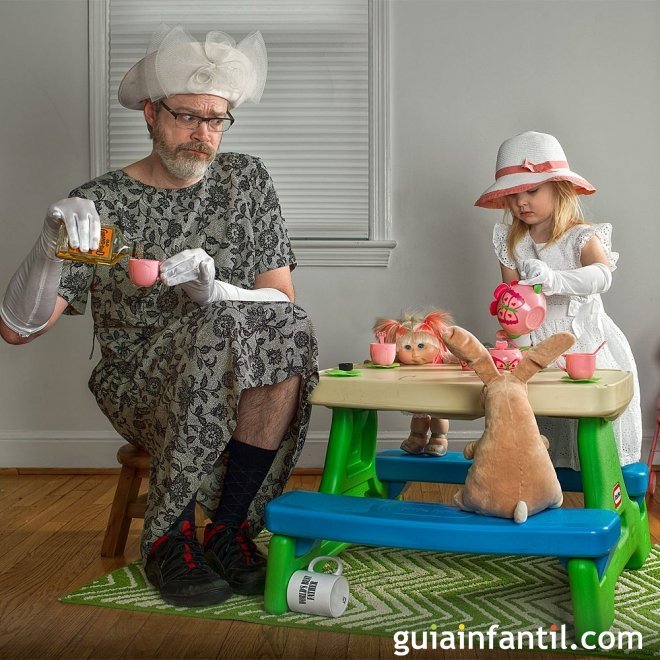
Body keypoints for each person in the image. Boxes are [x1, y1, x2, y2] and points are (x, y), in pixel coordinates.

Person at [0, 24, 318, 607]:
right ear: (151, 113)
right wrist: (49, 247)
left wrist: (216, 290)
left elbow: (282, 303)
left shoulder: (245, 182)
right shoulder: (101, 200)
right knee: (224, 330)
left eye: (216, 119)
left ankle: (228, 530)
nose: (202, 135)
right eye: (186, 116)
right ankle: (169, 536)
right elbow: (18, 330)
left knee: (288, 329)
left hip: (234, 365)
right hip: (138, 377)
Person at [475, 130, 641, 470]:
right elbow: (511, 299)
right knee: (541, 421)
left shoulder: (578, 235)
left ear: (559, 187)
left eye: (532, 190)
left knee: (585, 418)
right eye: (513, 195)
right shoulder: (512, 242)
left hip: (583, 343)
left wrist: (554, 280)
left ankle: (601, 483)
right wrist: (514, 339)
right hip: (535, 345)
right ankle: (540, 486)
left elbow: (602, 275)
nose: (522, 202)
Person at [373, 310, 455, 456]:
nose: (415, 354)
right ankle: (417, 438)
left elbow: (460, 358)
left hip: (440, 395)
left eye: (422, 346)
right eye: (407, 348)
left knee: (439, 417)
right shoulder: (398, 362)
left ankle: (439, 439)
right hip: (417, 396)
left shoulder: (443, 358)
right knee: (418, 418)